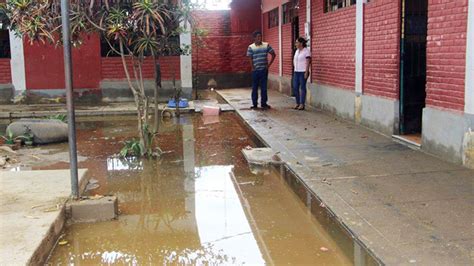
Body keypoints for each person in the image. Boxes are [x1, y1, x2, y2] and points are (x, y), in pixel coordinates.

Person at [247, 31, 276, 110]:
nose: (259, 38)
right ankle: (254, 104)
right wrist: (252, 67)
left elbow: (273, 54)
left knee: (263, 88)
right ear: (254, 38)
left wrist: (269, 65)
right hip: (255, 70)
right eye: (258, 37)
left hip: (264, 70)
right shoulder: (251, 47)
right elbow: (250, 57)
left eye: (260, 36)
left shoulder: (266, 45)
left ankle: (264, 103)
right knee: (255, 88)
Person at [292, 37, 311, 110]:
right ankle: (297, 102)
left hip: (303, 71)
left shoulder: (306, 51)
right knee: (295, 87)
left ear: (301, 43)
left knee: (302, 87)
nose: (296, 44)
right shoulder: (297, 51)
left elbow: (308, 62)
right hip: (296, 71)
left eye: (297, 42)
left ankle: (302, 104)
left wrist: (306, 72)